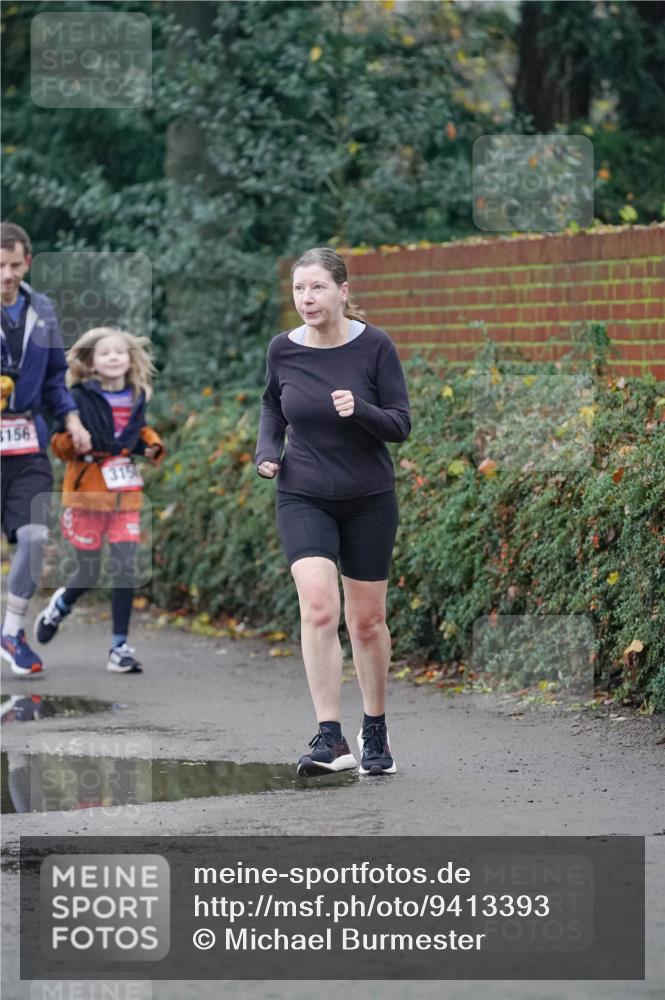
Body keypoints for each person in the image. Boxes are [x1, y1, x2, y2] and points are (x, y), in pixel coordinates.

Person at [255, 247, 410, 777]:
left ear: (344, 291)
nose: (307, 298)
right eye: (300, 289)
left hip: (369, 498)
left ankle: (374, 730)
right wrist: (266, 453)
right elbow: (272, 405)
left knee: (366, 621)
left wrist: (361, 409)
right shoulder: (283, 350)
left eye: (318, 287)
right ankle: (329, 738)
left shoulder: (375, 346)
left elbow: (401, 424)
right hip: (303, 493)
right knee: (318, 607)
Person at [34, 326, 164, 673]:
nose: (113, 358)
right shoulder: (76, 397)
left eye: (119, 352)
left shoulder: (137, 394)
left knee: (125, 569)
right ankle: (61, 604)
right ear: (89, 362)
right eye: (104, 353)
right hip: (86, 494)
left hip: (125, 496)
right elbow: (58, 442)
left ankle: (119, 647)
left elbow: (138, 432)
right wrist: (71, 443)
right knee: (88, 569)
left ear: (130, 358)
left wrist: (151, 445)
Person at [1, 221, 92, 676]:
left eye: (15, 265)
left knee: (35, 540)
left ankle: (12, 632)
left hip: (28, 445)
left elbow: (57, 377)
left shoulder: (44, 310)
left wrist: (72, 419)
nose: (7, 274)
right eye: (0, 266)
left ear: (28, 263)